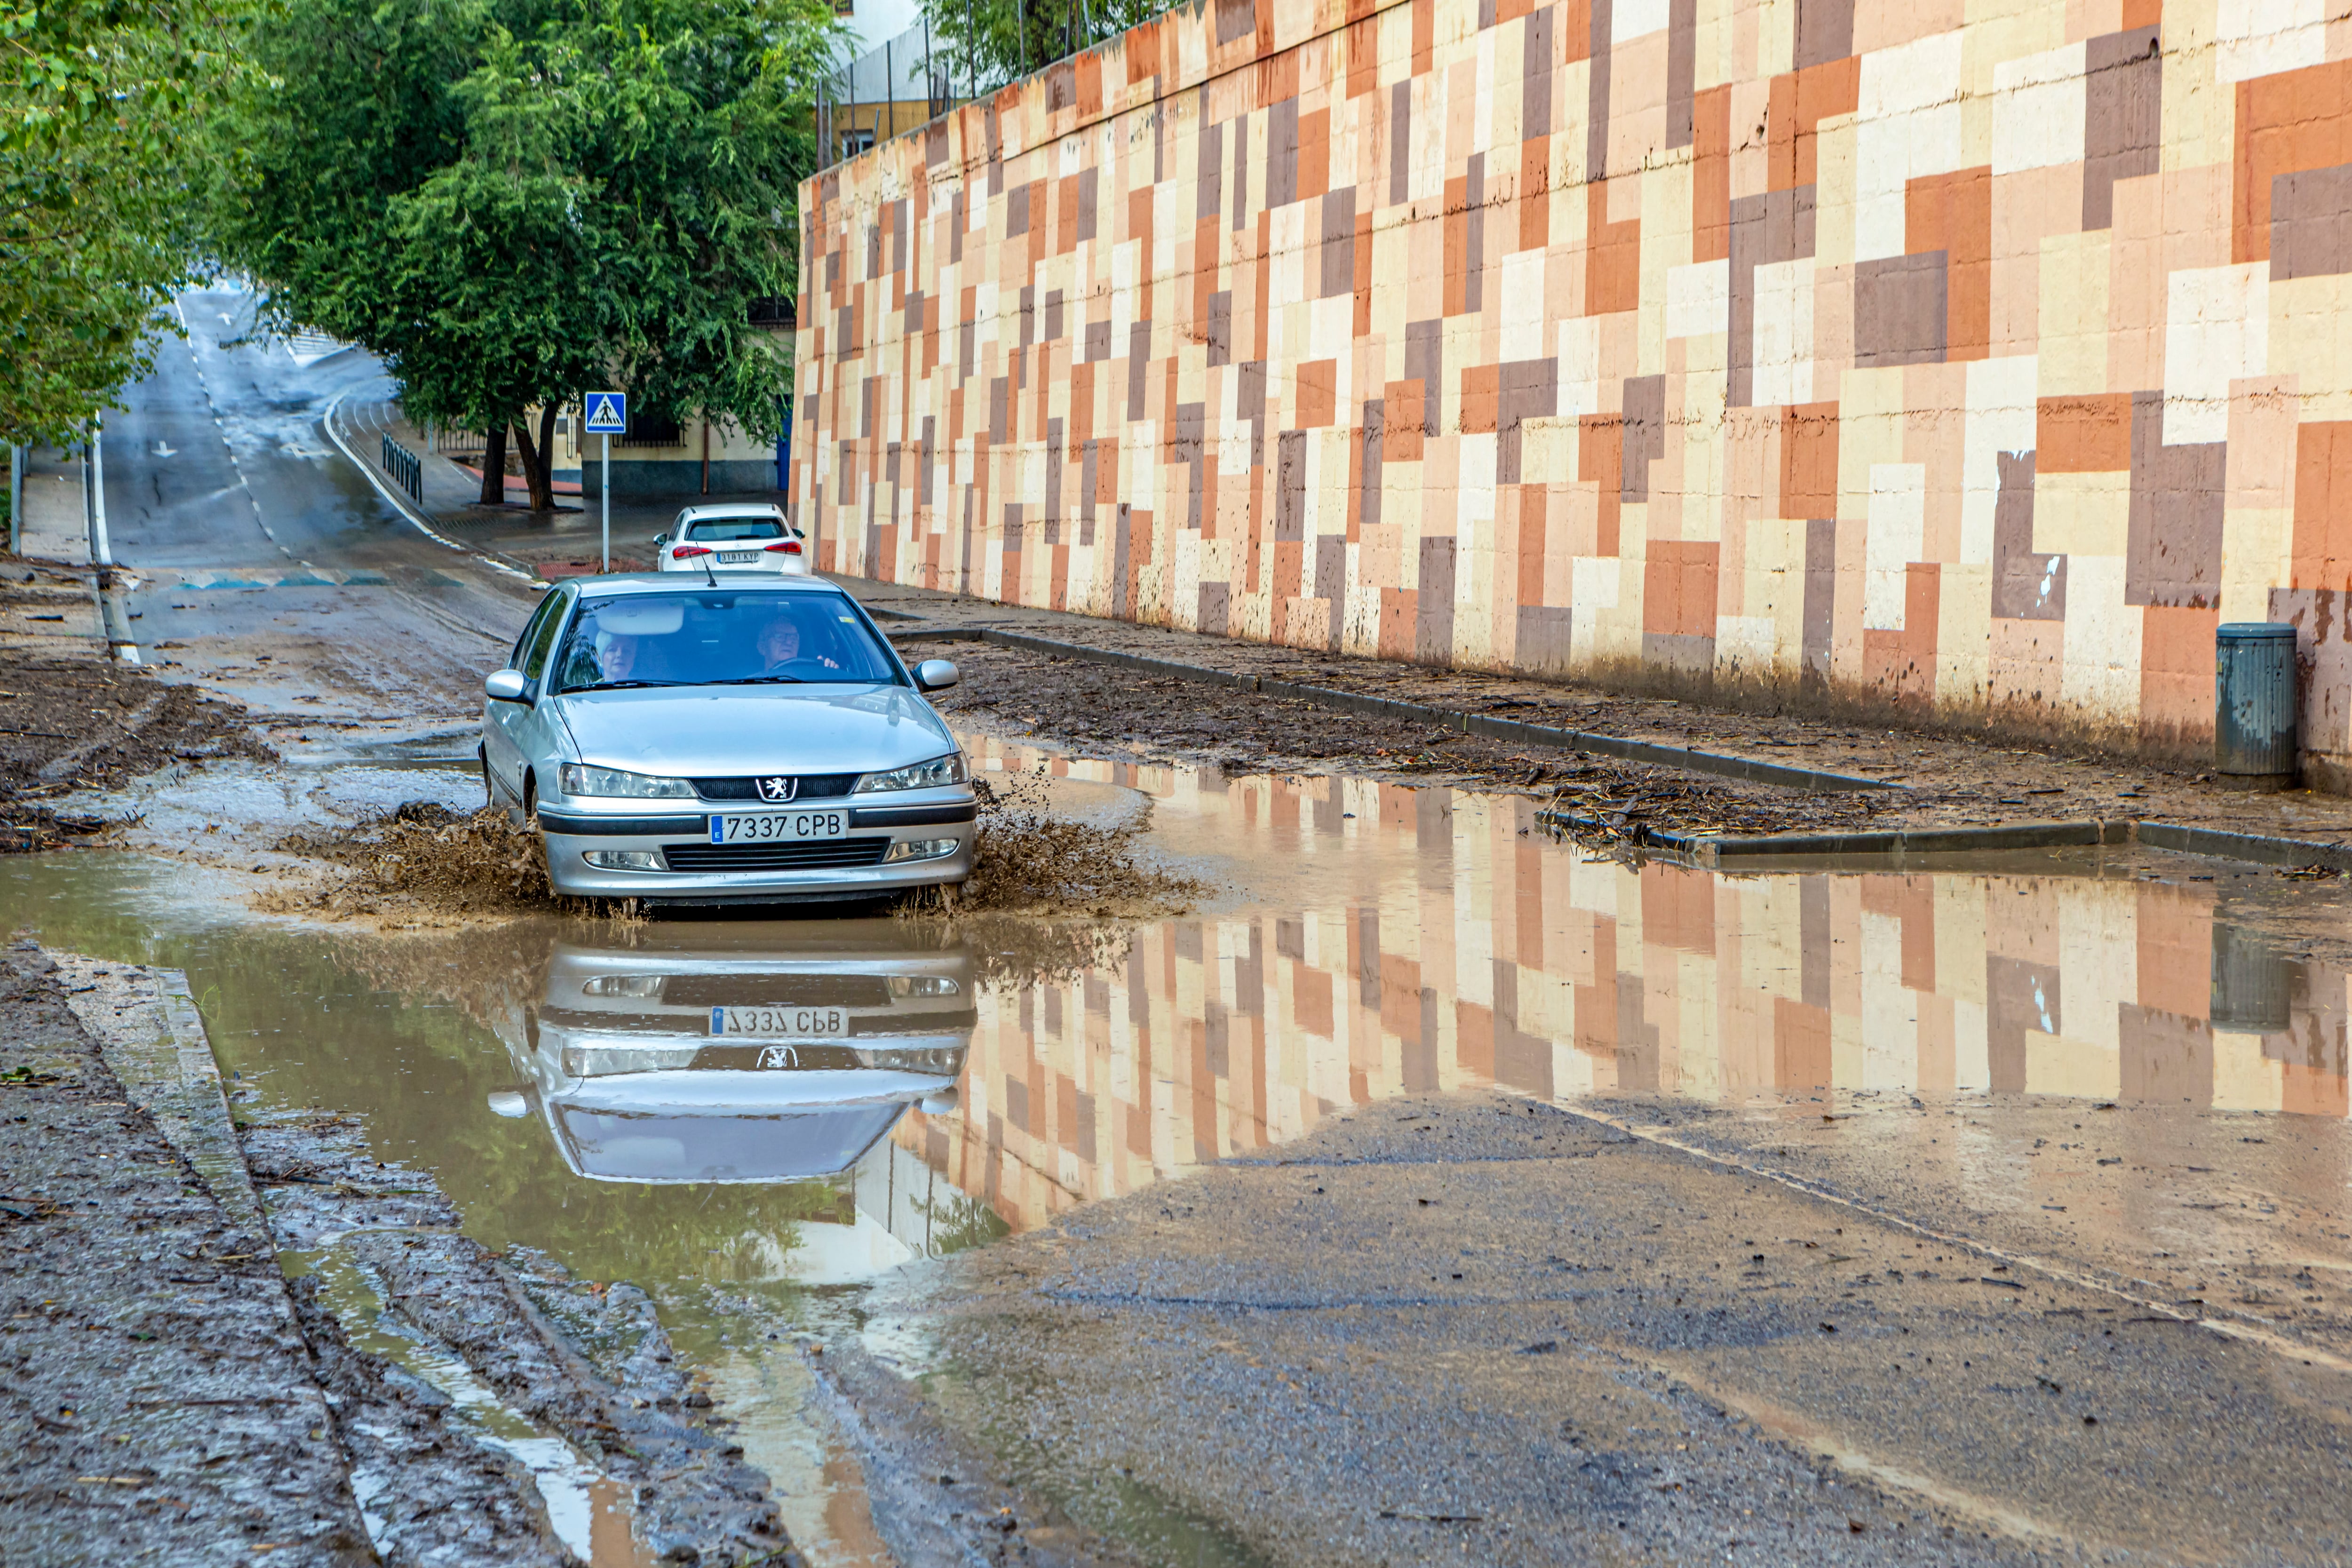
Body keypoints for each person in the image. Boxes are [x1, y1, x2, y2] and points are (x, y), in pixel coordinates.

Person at [757, 612, 841, 675]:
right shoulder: (749, 686)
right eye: (780, 637)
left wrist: (830, 673)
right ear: (762, 647)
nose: (789, 642)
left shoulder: (814, 677)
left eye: (794, 638)